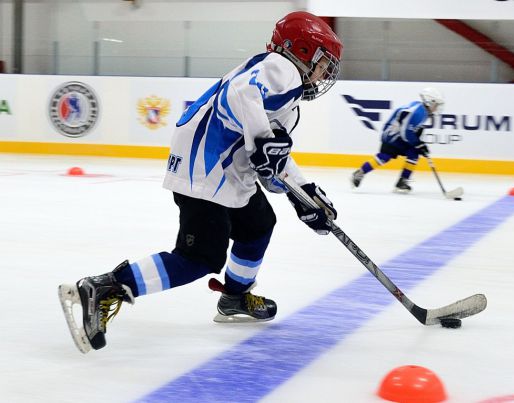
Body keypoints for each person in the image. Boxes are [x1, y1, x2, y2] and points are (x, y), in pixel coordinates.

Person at [58, 11, 343, 353]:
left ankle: (235, 298)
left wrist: (304, 193)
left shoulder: (289, 100)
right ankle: (106, 286)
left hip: (226, 169)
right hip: (204, 167)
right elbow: (243, 94)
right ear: (299, 50)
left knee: (258, 224)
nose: (325, 72)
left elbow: (271, 160)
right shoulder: (281, 69)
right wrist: (262, 141)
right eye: (322, 62)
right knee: (199, 257)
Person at [350, 88, 444, 192]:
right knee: (384, 157)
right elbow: (406, 132)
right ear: (430, 102)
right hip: (391, 134)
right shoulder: (418, 112)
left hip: (401, 135)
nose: (437, 108)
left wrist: (420, 144)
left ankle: (402, 181)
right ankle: (360, 172)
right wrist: (418, 144)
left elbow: (412, 128)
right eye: (436, 105)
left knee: (414, 153)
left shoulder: (423, 111)